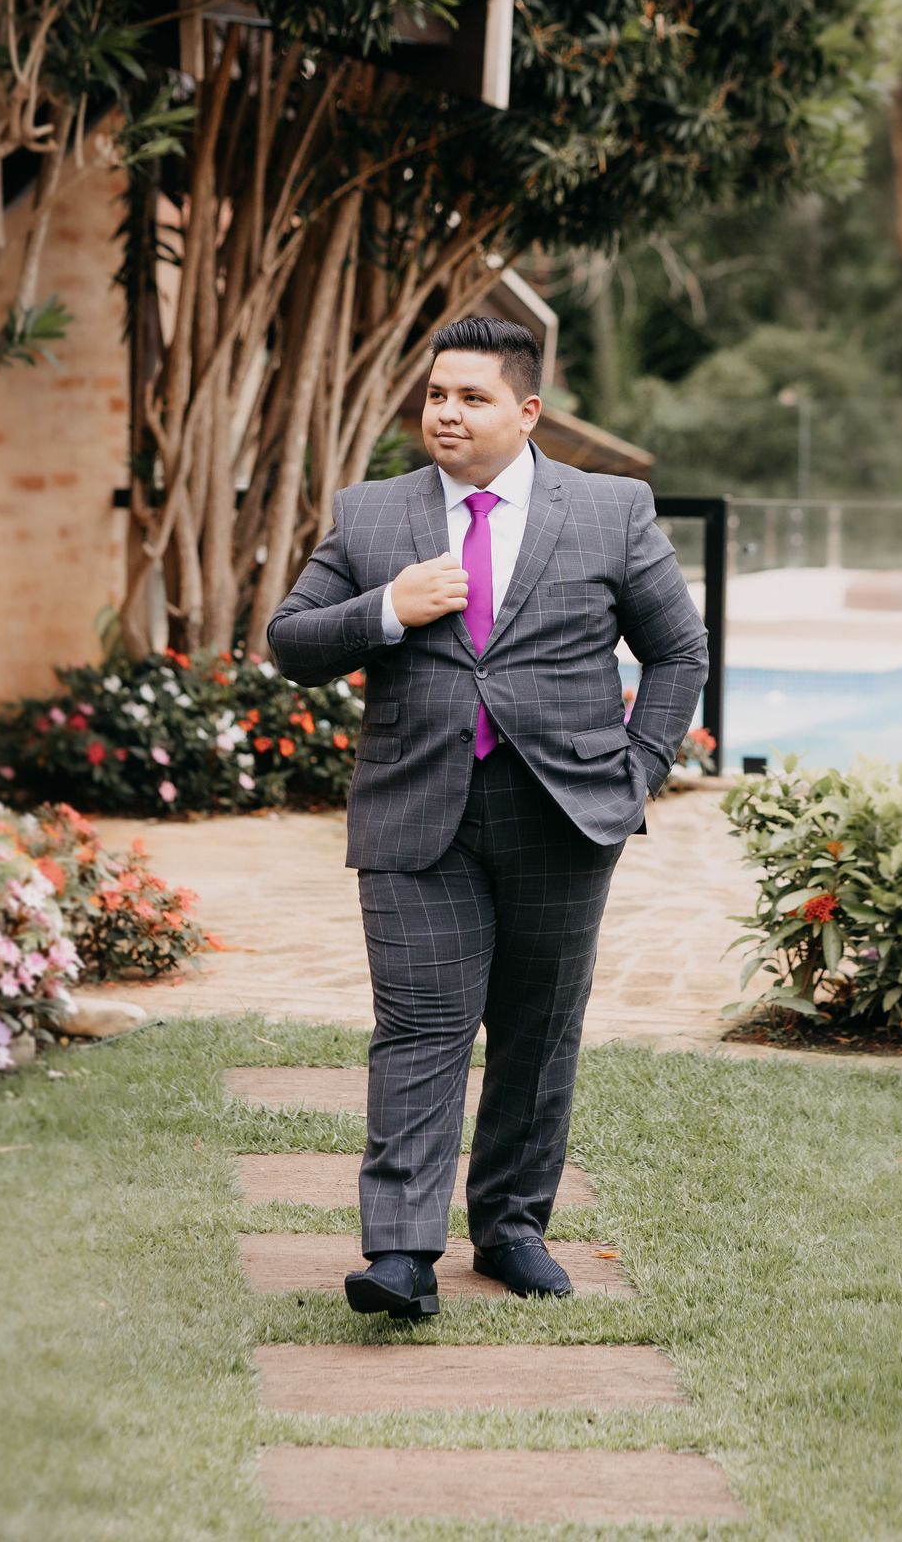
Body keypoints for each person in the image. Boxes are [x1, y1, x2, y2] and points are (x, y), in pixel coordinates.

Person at [268, 316, 708, 1319]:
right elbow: (291, 642)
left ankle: (510, 1231)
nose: (448, 413)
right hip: (415, 808)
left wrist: (639, 769)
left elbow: (678, 649)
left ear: (527, 410)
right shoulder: (372, 515)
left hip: (564, 810)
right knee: (418, 1026)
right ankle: (401, 1253)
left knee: (536, 1030)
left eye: (472, 397)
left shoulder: (609, 510)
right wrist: (390, 606)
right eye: (437, 395)